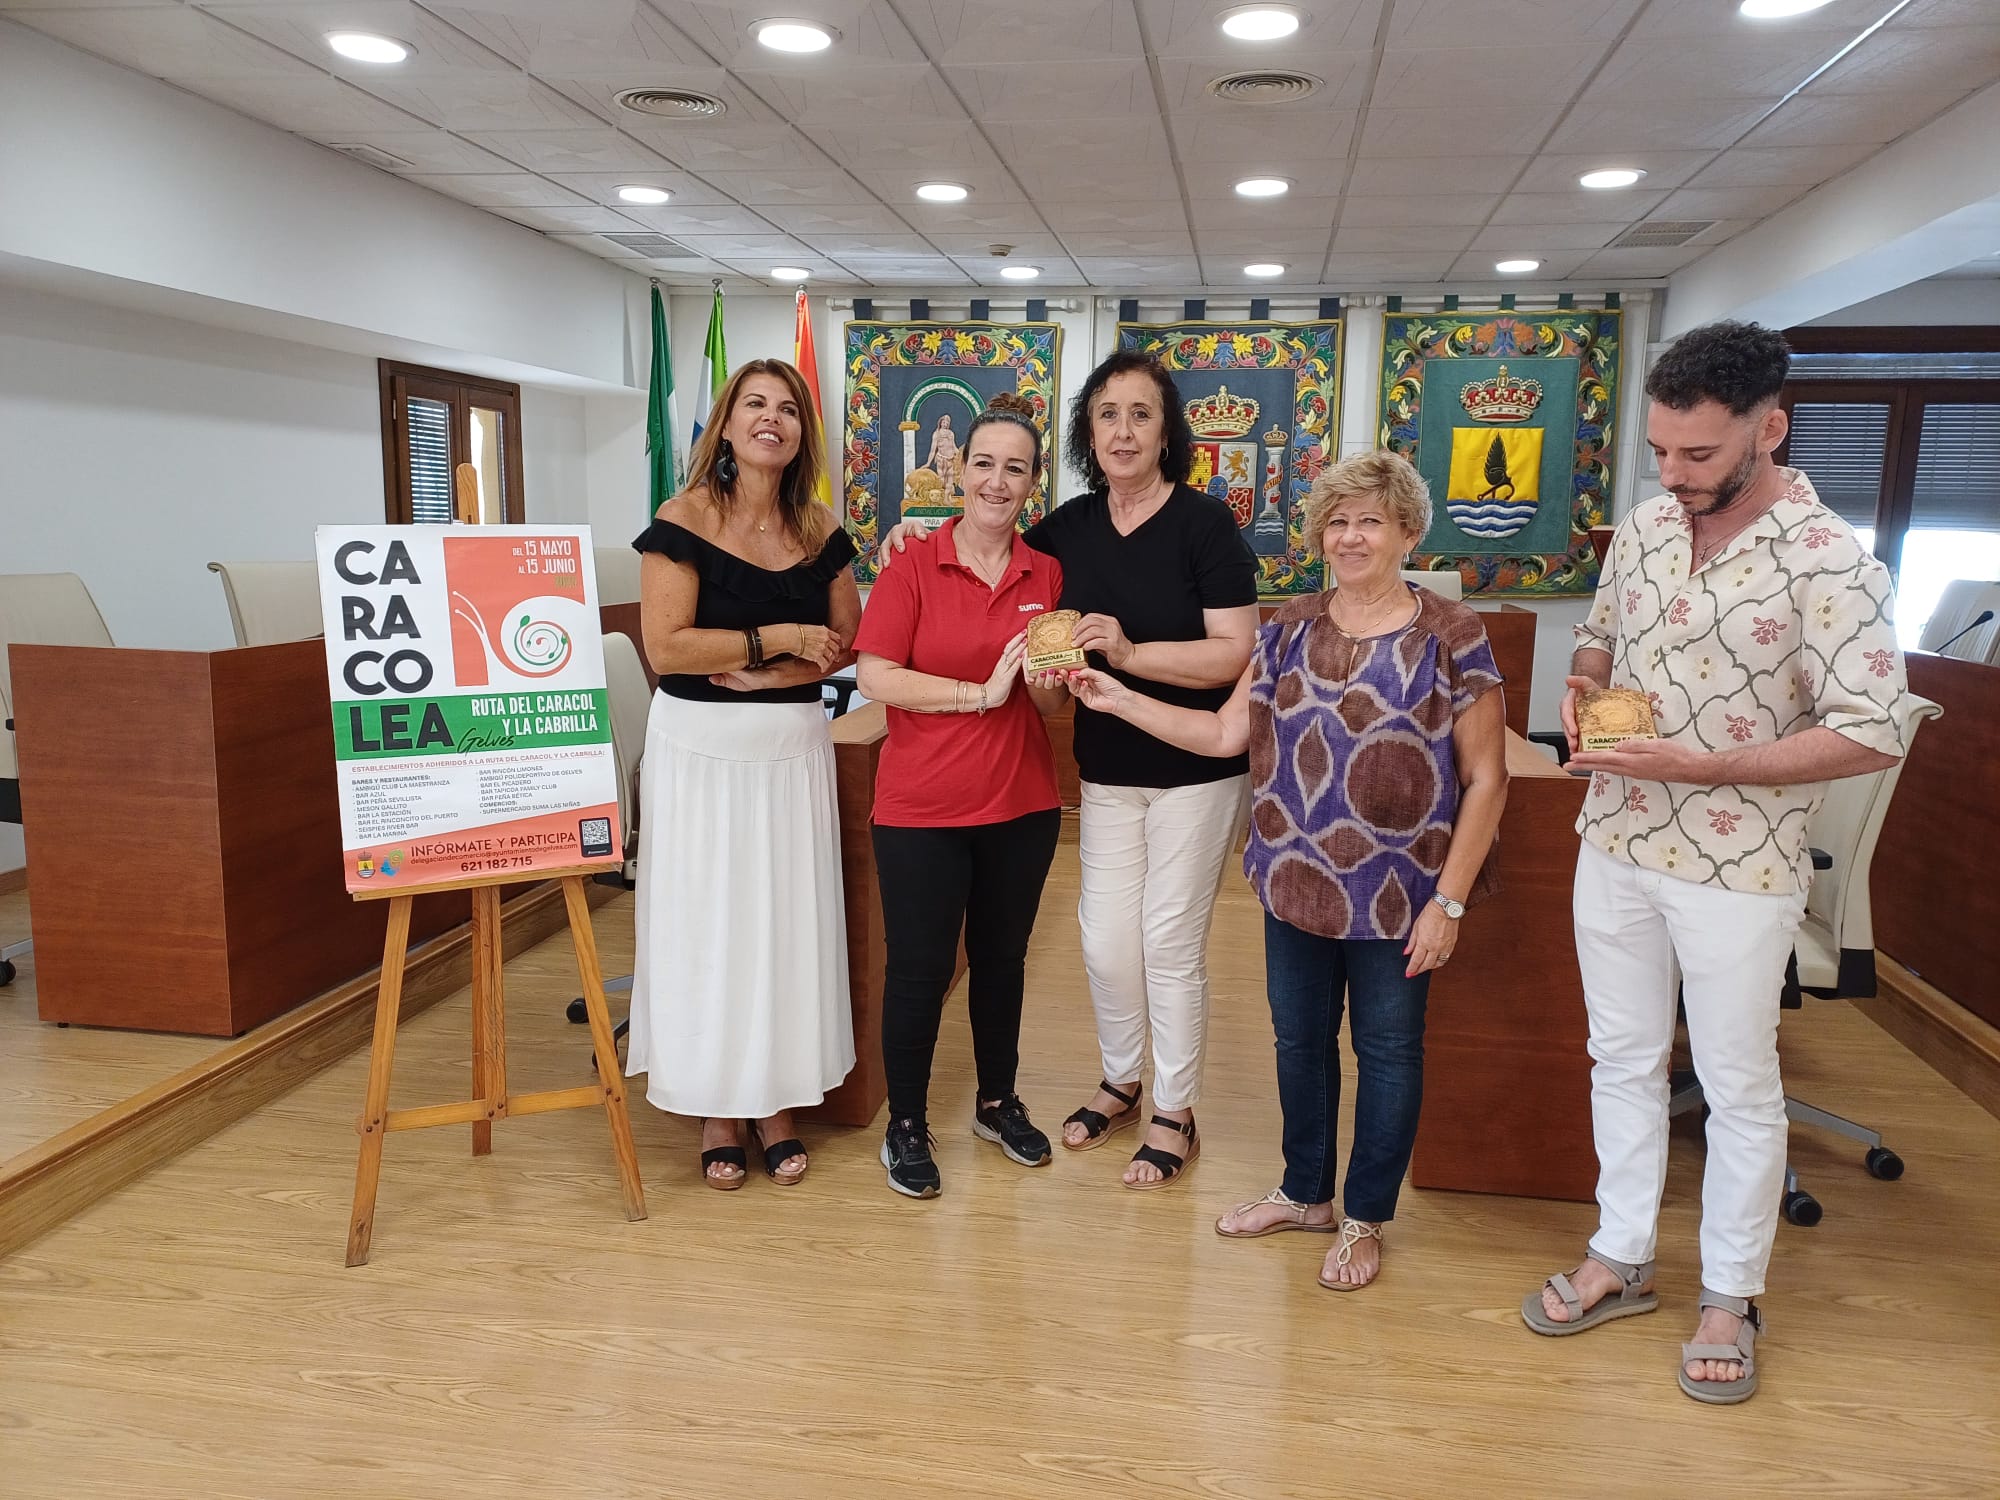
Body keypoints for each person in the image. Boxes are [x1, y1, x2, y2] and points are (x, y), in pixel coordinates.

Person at [1521, 321, 1911, 1404]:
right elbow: (1599, 633)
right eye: (1659, 450)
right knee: (1619, 1057)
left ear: (1766, 429)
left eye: (1697, 453)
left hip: (1738, 866)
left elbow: (1872, 729)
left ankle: (1730, 1296)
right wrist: (1582, 680)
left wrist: (1704, 766)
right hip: (1614, 835)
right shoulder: (1649, 525)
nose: (1672, 473)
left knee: (1738, 1085)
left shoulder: (1830, 559)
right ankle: (1621, 1253)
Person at [1071, 451, 1507, 1288]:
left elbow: (1487, 779)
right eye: (1337, 522)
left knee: (1387, 1052)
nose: (1351, 537)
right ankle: (1306, 1193)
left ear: (1408, 533)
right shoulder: (1288, 627)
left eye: (1371, 521)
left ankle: (1365, 1215)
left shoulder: (1453, 633)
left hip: (1400, 895)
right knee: (1299, 1043)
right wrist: (1116, 696)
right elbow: (1222, 735)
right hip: (1295, 881)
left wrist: (1448, 903)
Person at [882, 351, 1259, 1189]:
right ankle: (1122, 1081)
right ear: (1089, 433)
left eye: (1141, 414)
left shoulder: (1205, 524)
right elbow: (992, 540)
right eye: (1107, 415)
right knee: (1106, 941)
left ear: (1167, 431)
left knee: (1167, 942)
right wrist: (912, 533)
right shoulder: (1066, 532)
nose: (1123, 431)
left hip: (1195, 768)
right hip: (1106, 768)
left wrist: (1129, 652)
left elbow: (1236, 651)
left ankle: (1175, 1110)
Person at [627, 359, 861, 1190]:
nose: (772, 418)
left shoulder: (820, 526)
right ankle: (717, 1109)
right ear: (725, 424)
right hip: (699, 751)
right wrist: (778, 639)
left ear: (802, 433)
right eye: (755, 404)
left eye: (788, 409)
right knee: (709, 927)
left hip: (791, 749)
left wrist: (773, 673)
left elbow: (844, 644)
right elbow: (668, 647)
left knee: (783, 928)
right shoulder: (684, 517)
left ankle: (777, 1103)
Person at [853, 394, 1074, 1199]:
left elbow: (1049, 704)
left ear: (1032, 483)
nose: (996, 481)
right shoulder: (912, 561)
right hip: (922, 809)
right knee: (918, 969)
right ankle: (906, 1124)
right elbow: (876, 675)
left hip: (1021, 804)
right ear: (959, 471)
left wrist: (1049, 679)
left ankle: (995, 1101)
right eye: (983, 463)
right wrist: (976, 696)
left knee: (1002, 962)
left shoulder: (1045, 572)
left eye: (1015, 468)